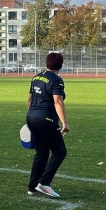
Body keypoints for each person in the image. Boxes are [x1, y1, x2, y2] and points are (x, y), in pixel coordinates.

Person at [26, 52, 69, 198]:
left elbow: (29, 99)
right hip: (46, 120)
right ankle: (44, 183)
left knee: (42, 152)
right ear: (61, 65)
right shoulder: (57, 80)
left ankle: (32, 187)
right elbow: (58, 101)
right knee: (60, 151)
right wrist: (64, 123)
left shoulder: (36, 77)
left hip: (31, 117)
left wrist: (31, 116)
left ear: (47, 63)